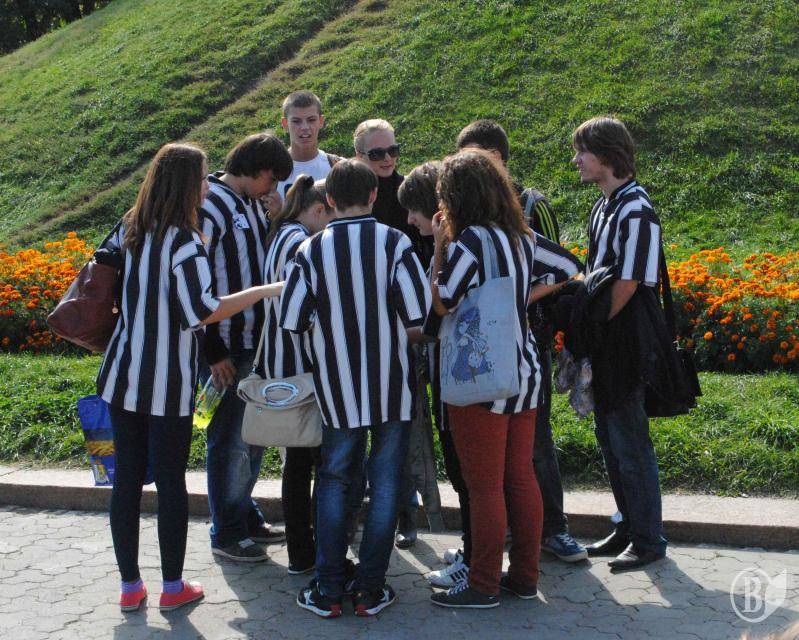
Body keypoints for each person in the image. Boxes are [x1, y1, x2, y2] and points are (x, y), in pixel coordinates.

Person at [96, 143, 285, 613]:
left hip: (121, 374)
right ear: (184, 184)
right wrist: (265, 291)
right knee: (170, 483)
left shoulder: (131, 225)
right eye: (201, 179)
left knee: (125, 484)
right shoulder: (185, 240)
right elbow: (202, 310)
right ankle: (173, 585)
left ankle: (129, 587)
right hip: (168, 383)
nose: (207, 187)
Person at [426, 150, 582, 609]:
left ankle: (482, 584)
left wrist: (438, 246)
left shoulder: (470, 241)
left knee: (485, 487)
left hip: (481, 374)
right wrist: (520, 296)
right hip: (525, 370)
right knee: (520, 478)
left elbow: (443, 300)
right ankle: (524, 577)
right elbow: (568, 265)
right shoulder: (520, 236)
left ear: (456, 197)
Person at [281, 159, 430, 618]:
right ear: (373, 196)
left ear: (328, 200)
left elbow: (292, 319)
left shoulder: (310, 250)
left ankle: (328, 588)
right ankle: (370, 588)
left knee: (333, 480)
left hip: (336, 388)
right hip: (392, 386)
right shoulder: (395, 242)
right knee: (385, 483)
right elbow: (419, 314)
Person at [452, 119, 587, 564]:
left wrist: (518, 297)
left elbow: (564, 268)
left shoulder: (526, 207)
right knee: (507, 465)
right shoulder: (478, 222)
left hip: (518, 345)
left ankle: (551, 532)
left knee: (527, 454)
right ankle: (512, 546)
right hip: (499, 352)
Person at [572, 116, 668, 571]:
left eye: (583, 152)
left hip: (626, 338)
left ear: (607, 156)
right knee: (610, 437)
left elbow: (629, 283)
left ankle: (649, 540)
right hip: (608, 338)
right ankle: (628, 526)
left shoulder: (636, 208)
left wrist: (597, 325)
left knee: (630, 440)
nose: (576, 160)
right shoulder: (605, 205)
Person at [199, 132, 293, 562]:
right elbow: (198, 285)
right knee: (229, 442)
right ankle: (227, 532)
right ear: (256, 170)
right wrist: (212, 350)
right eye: (271, 179)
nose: (271, 188)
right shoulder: (211, 205)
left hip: (253, 341)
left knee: (252, 438)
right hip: (226, 344)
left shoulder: (250, 202)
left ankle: (243, 513)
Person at [259, 175, 335, 575]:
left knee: (298, 463)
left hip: (283, 364)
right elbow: (302, 311)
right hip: (302, 367)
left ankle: (301, 552)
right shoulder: (300, 242)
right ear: (319, 210)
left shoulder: (282, 234)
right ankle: (310, 552)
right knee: (312, 463)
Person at [276, 90, 341, 200]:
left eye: (311, 120)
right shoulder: (271, 172)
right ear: (285, 124)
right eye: (296, 121)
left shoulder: (337, 167)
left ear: (321, 121)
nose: (304, 127)